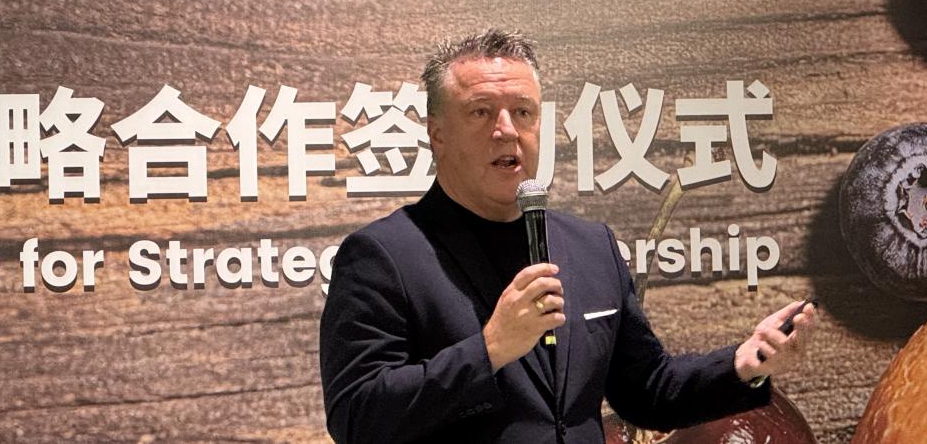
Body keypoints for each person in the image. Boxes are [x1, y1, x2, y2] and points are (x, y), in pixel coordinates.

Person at [319, 29, 816, 443]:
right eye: (481, 112)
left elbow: (647, 389)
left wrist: (743, 364)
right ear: (437, 133)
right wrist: (490, 349)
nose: (506, 130)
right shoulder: (385, 256)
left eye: (523, 112)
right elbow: (357, 417)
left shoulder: (590, 247)